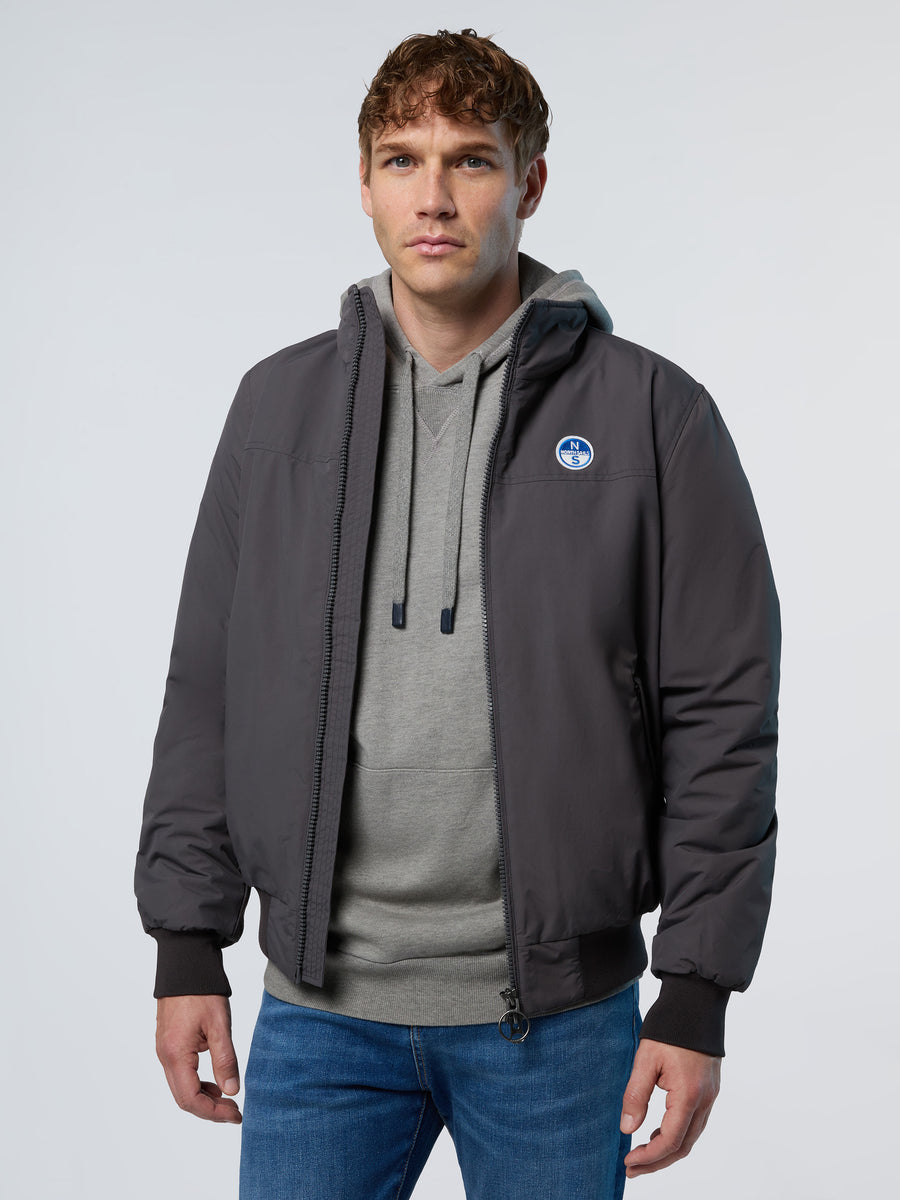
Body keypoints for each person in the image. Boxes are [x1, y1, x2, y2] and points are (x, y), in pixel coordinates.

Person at [135, 28, 780, 1200]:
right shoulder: (276, 411)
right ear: (364, 183)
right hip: (319, 1015)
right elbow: (207, 691)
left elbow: (722, 718)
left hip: (561, 1022)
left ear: (530, 183)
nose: (433, 197)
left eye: (471, 160)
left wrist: (696, 991)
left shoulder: (652, 416)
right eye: (402, 159)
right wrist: (188, 945)